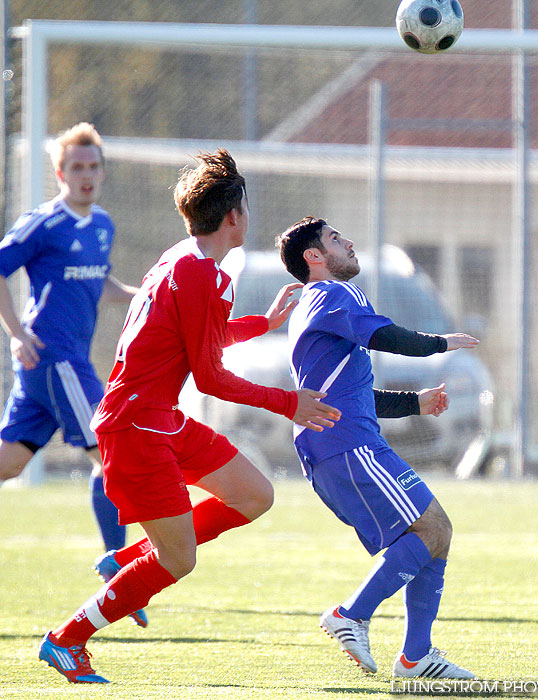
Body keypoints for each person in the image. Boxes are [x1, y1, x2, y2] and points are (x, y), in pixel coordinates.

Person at [38, 149, 341, 684]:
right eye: (245, 207)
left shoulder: (185, 258)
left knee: (254, 495)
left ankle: (125, 559)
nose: (248, 216)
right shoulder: (199, 272)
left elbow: (203, 335)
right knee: (179, 562)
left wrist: (262, 323)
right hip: (136, 427)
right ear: (233, 218)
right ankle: (68, 638)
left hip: (158, 419)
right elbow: (212, 378)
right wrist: (290, 402)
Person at [276, 216, 479, 679]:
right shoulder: (333, 292)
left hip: (336, 446)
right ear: (314, 257)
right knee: (432, 529)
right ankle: (352, 616)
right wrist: (441, 343)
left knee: (434, 533)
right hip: (347, 446)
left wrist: (413, 403)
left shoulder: (315, 305)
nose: (347, 243)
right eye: (333, 239)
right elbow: (385, 336)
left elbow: (346, 393)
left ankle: (416, 656)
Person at [0, 123, 140, 589]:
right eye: (76, 167)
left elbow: (98, 283)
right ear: (59, 172)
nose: (86, 175)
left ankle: (116, 566)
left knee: (10, 462)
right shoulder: (44, 223)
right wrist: (16, 334)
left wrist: (144, 295)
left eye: (93, 166)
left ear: (102, 171)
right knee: (111, 453)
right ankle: (117, 570)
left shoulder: (102, 224)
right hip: (55, 358)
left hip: (53, 365)